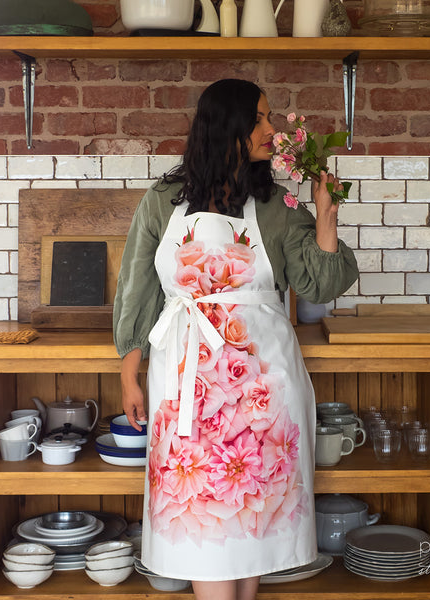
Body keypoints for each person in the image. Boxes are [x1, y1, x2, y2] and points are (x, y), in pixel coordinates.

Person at [113, 78, 359, 600]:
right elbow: (136, 289)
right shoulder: (161, 202)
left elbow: (321, 284)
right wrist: (129, 371)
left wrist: (326, 220)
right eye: (261, 119)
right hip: (186, 385)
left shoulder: (277, 205)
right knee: (201, 510)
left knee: (251, 519)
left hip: (263, 389)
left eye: (271, 119)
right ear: (229, 127)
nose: (272, 129)